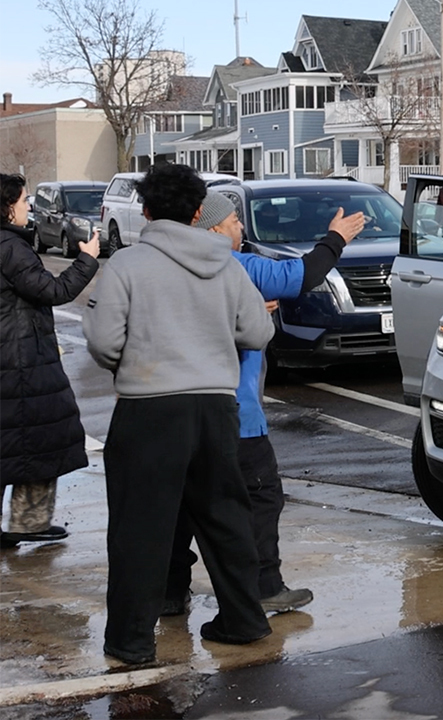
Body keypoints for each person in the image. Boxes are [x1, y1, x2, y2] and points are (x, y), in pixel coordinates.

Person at [83, 163, 276, 665]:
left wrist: (132, 364)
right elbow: (258, 333)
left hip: (148, 409)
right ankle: (244, 620)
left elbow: (103, 342)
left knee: (140, 527)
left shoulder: (127, 264)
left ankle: (132, 641)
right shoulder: (227, 264)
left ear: (146, 212)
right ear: (197, 213)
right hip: (216, 407)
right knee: (225, 518)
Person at [163, 191, 364, 616]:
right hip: (235, 413)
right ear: (214, 229)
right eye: (235, 221)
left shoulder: (165, 267)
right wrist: (336, 239)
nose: (241, 228)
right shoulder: (236, 266)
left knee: (179, 503)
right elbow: (301, 275)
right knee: (260, 496)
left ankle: (169, 591)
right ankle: (264, 586)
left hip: (174, 411)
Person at [0, 174, 99, 549]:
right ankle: (29, 522)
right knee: (41, 437)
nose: (29, 207)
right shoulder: (11, 248)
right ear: (7, 207)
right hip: (20, 361)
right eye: (24, 200)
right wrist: (87, 260)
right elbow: (53, 290)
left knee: (18, 442)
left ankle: (28, 522)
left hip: (15, 358)